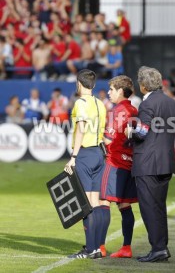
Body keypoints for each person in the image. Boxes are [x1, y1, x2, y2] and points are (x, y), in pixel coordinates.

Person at [126, 66, 175, 262]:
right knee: (159, 207)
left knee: (149, 207)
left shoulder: (147, 105)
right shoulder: (172, 103)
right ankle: (161, 247)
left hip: (148, 162)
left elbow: (142, 132)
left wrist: (129, 132)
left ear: (143, 85)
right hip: (165, 161)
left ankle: (158, 248)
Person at [64, 69, 106, 259]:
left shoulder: (80, 103)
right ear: (94, 85)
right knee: (95, 203)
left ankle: (90, 249)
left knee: (86, 204)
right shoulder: (100, 103)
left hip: (85, 154)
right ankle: (96, 247)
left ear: (78, 84)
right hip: (99, 153)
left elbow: (80, 129)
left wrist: (74, 156)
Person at [100, 75, 138, 258]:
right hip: (130, 163)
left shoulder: (117, 111)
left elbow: (108, 139)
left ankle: (99, 245)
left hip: (115, 162)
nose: (109, 92)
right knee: (124, 205)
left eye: (112, 89)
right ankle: (126, 247)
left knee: (103, 202)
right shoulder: (134, 109)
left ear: (120, 91)